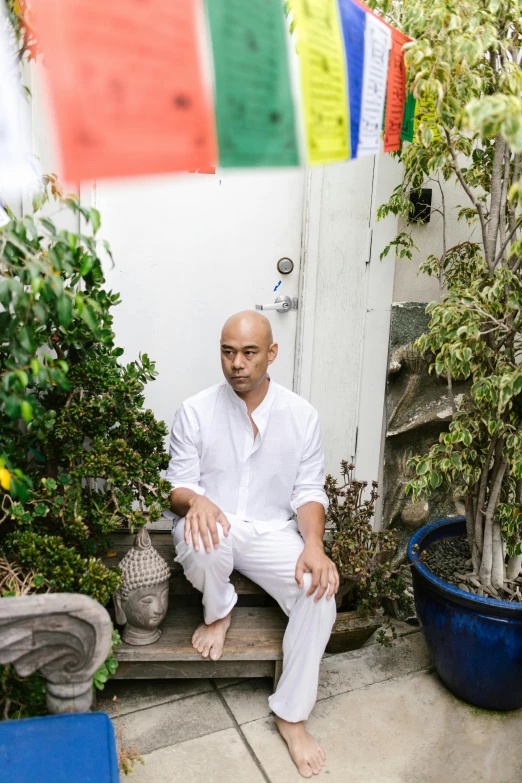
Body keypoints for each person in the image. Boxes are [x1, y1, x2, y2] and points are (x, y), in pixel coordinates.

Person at [166, 310, 339, 779]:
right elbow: (176, 486)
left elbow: (308, 491)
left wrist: (315, 545)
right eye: (227, 352)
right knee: (205, 542)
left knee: (319, 592)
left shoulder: (301, 416)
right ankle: (220, 609)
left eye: (248, 352)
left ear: (271, 354)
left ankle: (291, 714)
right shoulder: (195, 410)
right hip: (214, 526)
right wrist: (195, 500)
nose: (236, 363)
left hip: (271, 532)